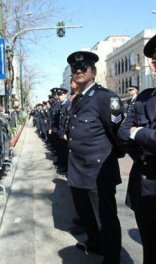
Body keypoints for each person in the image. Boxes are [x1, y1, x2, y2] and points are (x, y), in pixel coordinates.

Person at [66, 51, 124, 264]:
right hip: (78, 168)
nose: (78, 71)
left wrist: (111, 158)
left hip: (98, 170)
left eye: (84, 68)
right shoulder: (78, 98)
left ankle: (112, 257)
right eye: (75, 69)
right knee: (87, 213)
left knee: (106, 217)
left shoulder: (105, 97)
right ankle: (96, 243)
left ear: (93, 71)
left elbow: (118, 132)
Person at [118, 34, 156, 264]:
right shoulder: (143, 98)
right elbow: (123, 134)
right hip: (144, 186)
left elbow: (131, 132)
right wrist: (143, 148)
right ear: (154, 64)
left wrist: (138, 133)